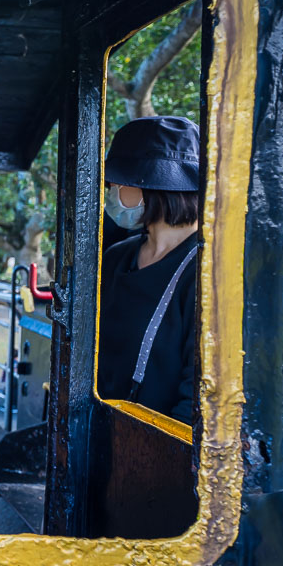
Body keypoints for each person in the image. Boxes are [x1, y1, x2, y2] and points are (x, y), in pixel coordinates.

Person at [97, 116, 201, 425]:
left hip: (157, 449)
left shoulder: (206, 274)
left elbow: (197, 397)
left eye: (119, 180)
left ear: (152, 184)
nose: (111, 188)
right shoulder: (117, 257)